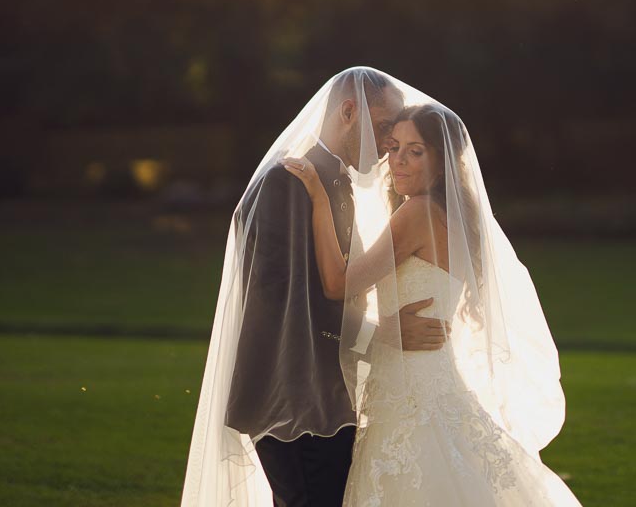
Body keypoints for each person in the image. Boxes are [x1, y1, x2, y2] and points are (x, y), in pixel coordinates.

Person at [282, 99, 583, 507]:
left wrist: (319, 199)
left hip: (410, 394)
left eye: (415, 151)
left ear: (441, 162)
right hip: (425, 380)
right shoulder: (453, 216)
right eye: (394, 148)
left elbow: (337, 284)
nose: (398, 161)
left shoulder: (417, 214)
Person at [181, 67, 450, 507]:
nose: (388, 146)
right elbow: (287, 298)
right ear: (349, 112)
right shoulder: (289, 181)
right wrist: (379, 334)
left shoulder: (331, 179)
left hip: (321, 396)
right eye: (384, 129)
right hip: (294, 398)